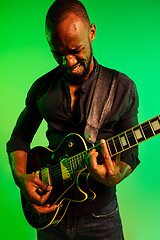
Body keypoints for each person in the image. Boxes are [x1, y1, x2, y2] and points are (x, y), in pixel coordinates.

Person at [7, 0, 140, 239]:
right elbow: (19, 137)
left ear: (91, 33)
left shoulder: (121, 88)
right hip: (50, 216)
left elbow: (130, 155)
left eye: (75, 51)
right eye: (58, 54)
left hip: (101, 217)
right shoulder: (41, 88)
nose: (68, 62)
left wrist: (115, 175)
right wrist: (22, 179)